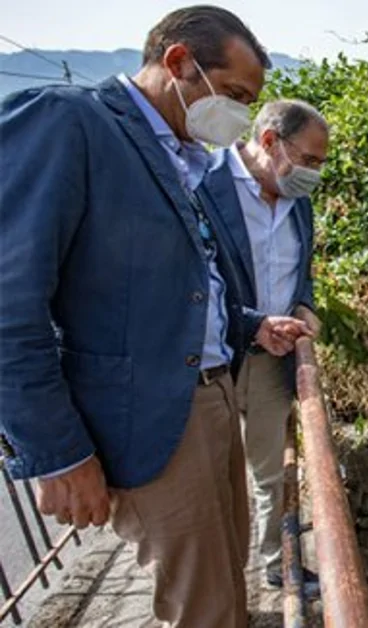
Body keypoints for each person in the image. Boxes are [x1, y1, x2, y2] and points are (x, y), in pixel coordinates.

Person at [0, 6, 310, 627]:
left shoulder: (177, 156)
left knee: (227, 588)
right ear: (178, 64)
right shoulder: (71, 124)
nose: (242, 117)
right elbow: (9, 301)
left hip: (209, 398)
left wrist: (250, 325)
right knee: (207, 609)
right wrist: (57, 454)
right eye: (235, 95)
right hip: (153, 416)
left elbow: (178, 285)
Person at [198, 99, 327, 597]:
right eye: (310, 160)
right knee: (211, 476)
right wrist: (251, 324)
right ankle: (219, 577)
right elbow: (195, 280)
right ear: (270, 141)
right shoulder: (203, 187)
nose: (314, 174)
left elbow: (302, 272)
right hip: (215, 360)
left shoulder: (300, 204)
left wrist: (303, 305)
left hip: (274, 362)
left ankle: (277, 563)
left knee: (270, 471)